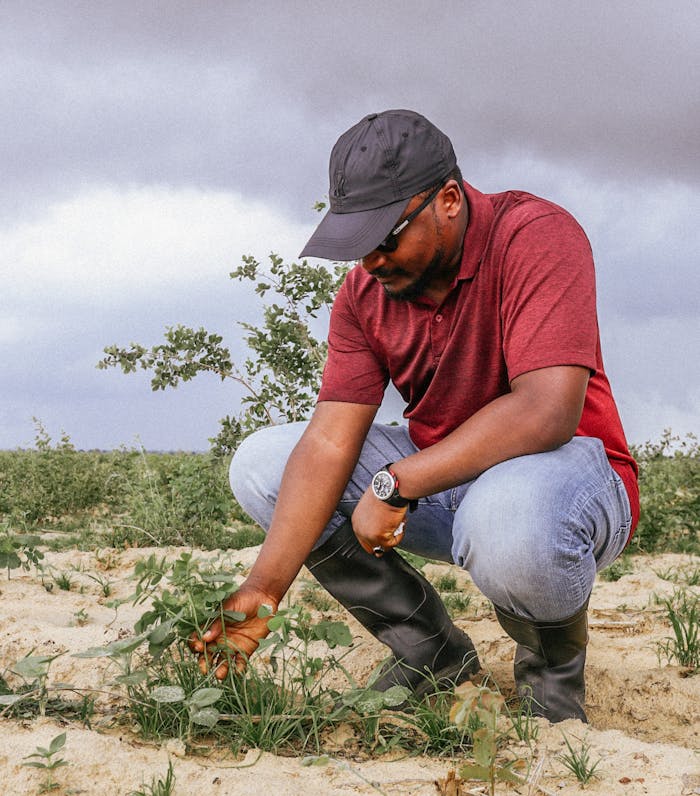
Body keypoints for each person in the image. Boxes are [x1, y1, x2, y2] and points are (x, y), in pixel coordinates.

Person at [190, 109, 639, 723]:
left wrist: (398, 483)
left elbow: (547, 411)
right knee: (263, 465)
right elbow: (328, 441)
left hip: (569, 486)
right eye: (357, 243)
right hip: (449, 480)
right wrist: (262, 591)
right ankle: (431, 654)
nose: (369, 261)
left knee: (506, 512)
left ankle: (551, 677)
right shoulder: (364, 296)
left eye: (385, 237)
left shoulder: (535, 235)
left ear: (449, 199)